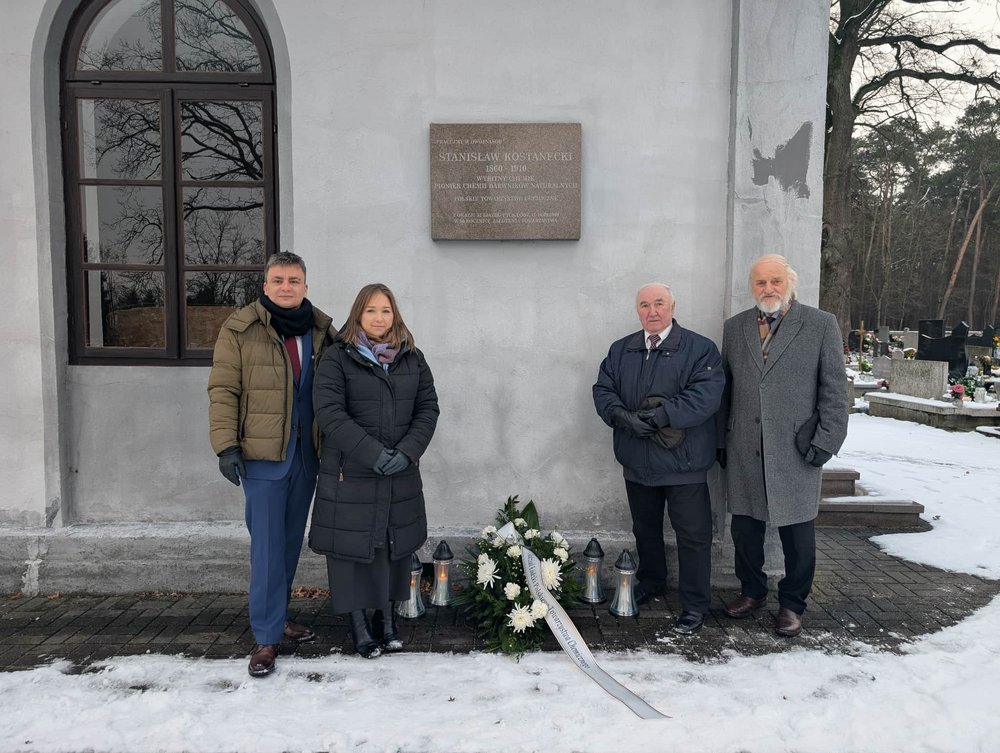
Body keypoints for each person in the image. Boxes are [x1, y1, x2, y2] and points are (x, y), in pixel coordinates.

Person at [208, 252, 337, 677]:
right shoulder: (240, 328)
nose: (286, 287)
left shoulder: (321, 330)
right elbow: (224, 389)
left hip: (306, 455)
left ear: (305, 285)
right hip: (263, 457)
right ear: (265, 286)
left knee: (286, 543)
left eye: (294, 280)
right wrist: (226, 445)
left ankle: (277, 617)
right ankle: (265, 639)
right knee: (266, 547)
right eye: (278, 280)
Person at [718, 254, 848, 637]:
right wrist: (720, 440)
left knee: (797, 535)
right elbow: (726, 388)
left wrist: (827, 440)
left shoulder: (821, 325)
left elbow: (835, 391)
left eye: (775, 280)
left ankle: (792, 604)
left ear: (789, 282)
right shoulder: (735, 327)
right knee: (745, 529)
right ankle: (752, 591)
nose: (768, 289)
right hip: (744, 445)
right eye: (760, 282)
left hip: (796, 449)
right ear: (752, 287)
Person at [309, 283, 440, 658]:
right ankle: (359, 626)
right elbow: (330, 412)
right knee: (350, 552)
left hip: (399, 472)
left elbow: (427, 410)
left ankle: (387, 621)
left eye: (385, 310)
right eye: (371, 311)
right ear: (358, 315)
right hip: (351, 473)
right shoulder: (337, 358)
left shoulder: (413, 358)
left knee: (390, 548)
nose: (379, 318)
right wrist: (371, 453)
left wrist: (408, 451)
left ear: (394, 315)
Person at [593, 283, 725, 634]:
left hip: (685, 465)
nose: (652, 311)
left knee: (693, 537)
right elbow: (603, 389)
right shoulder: (621, 350)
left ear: (672, 306)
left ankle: (695, 604)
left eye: (659, 303)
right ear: (637, 310)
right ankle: (652, 581)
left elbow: (706, 396)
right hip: (638, 463)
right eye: (645, 305)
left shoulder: (700, 349)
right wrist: (621, 417)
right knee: (645, 530)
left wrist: (659, 417)